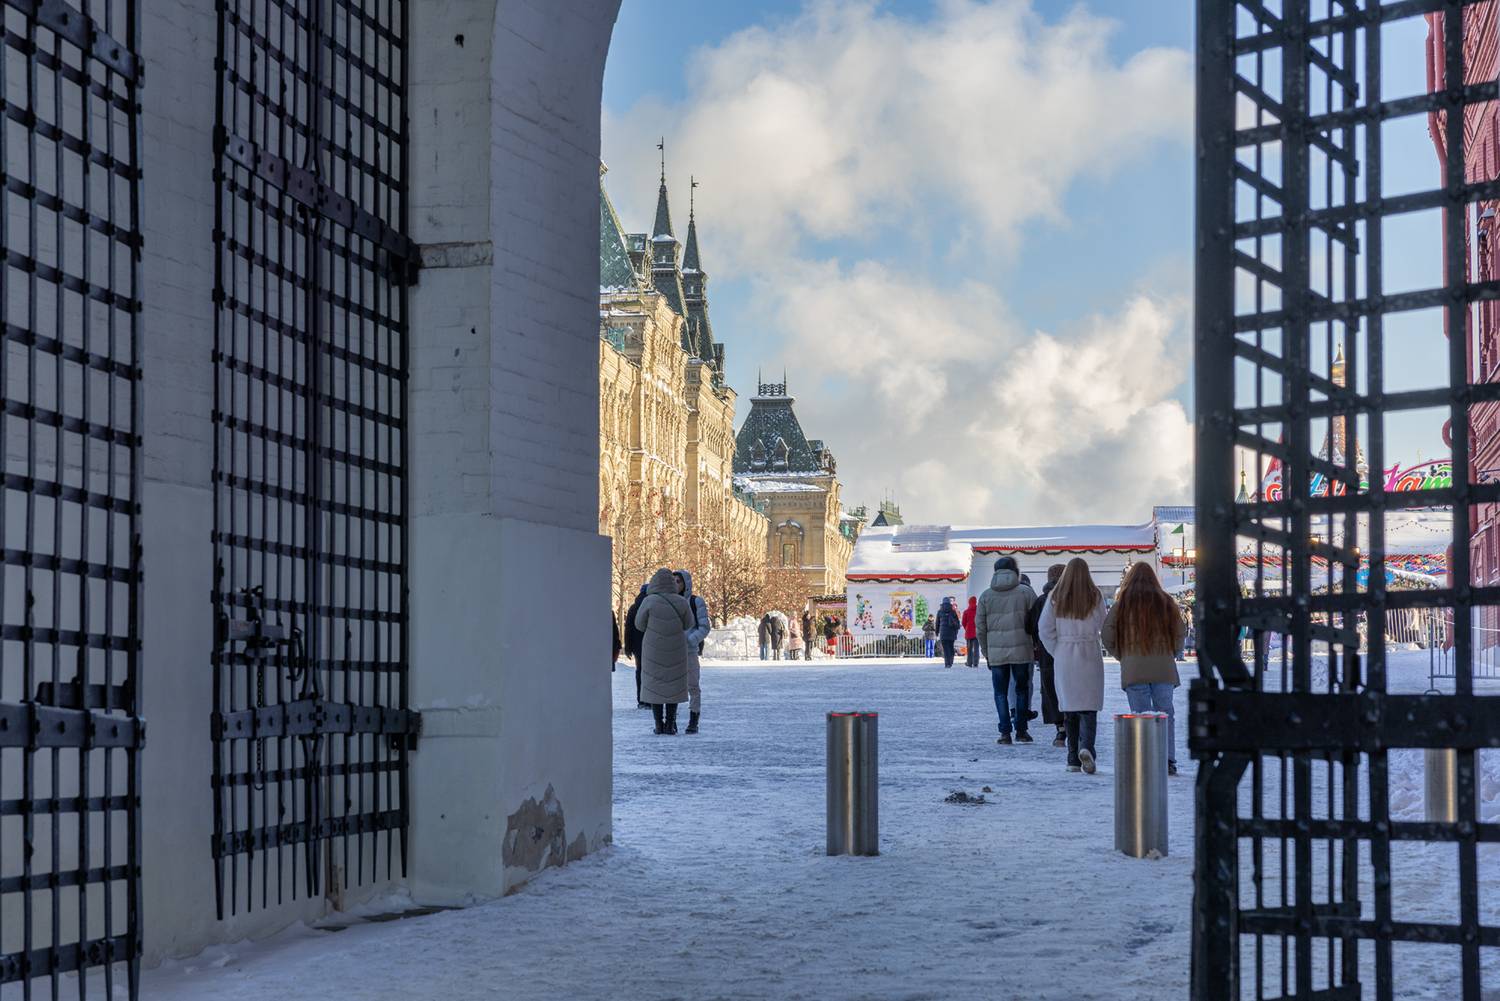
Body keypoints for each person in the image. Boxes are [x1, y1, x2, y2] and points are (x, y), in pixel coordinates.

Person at [1103, 563, 1186, 775]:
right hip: (1163, 667)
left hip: (1134, 667)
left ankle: (1144, 759)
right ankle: (1168, 759)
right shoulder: (1166, 601)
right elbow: (1179, 632)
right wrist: (1173, 652)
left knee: (1139, 716)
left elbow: (1107, 634)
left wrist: (1122, 655)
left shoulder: (1121, 605)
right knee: (1165, 713)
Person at [1039, 557, 1107, 773]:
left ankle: (1072, 759)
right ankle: (1086, 747)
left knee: (1070, 708)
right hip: (1089, 652)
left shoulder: (1055, 597)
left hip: (1065, 655)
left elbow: (1044, 629)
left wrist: (1057, 650)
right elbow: (1103, 625)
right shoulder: (1095, 595)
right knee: (1089, 706)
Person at [976, 556, 1037, 744]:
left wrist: (986, 652)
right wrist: (1034, 645)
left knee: (1000, 693)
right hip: (1022, 650)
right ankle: (1021, 730)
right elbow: (1036, 622)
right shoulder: (1026, 593)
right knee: (1021, 690)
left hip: (997, 653)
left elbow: (980, 627)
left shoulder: (986, 596)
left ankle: (1004, 733)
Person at [635, 568, 692, 735]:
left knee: (656, 686)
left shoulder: (649, 601)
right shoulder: (681, 601)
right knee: (673, 686)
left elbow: (639, 624)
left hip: (653, 649)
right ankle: (671, 723)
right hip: (676, 649)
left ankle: (659, 724)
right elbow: (689, 623)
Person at [1026, 564, 1067, 746]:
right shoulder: (1074, 599)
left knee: (1051, 689)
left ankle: (1060, 728)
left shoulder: (1042, 600)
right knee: (1071, 687)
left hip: (1047, 653)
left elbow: (1031, 626)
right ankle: (1075, 724)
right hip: (1071, 651)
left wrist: (1038, 644)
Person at [675, 570, 711, 735]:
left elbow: (704, 626)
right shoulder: (669, 601)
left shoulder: (696, 601)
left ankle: (693, 719)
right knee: (672, 686)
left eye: (678, 581)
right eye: (673, 581)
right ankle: (671, 720)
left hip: (689, 651)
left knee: (693, 686)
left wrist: (691, 639)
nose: (675, 584)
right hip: (672, 650)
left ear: (686, 583)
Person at [624, 584, 648, 708]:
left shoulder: (634, 607)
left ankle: (641, 700)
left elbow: (628, 628)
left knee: (640, 671)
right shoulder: (652, 605)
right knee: (651, 672)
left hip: (637, 645)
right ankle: (651, 699)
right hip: (651, 643)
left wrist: (628, 647)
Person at [936, 598, 961, 668]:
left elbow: (937, 623)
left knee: (946, 649)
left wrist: (937, 632)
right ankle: (951, 661)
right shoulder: (953, 611)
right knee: (951, 647)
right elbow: (957, 623)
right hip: (951, 633)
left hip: (943, 633)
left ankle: (947, 663)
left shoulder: (940, 612)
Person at [961, 596, 979, 667]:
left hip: (968, 633)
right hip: (977, 632)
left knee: (969, 649)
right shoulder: (979, 611)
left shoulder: (966, 611)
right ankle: (975, 663)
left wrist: (967, 628)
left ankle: (969, 663)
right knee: (976, 648)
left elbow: (963, 622)